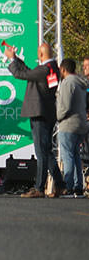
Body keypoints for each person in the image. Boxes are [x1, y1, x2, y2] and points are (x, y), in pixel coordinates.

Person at [4, 43, 65, 198]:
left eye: (38, 52)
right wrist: (16, 58)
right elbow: (30, 72)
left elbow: (21, 74)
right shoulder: (51, 68)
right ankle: (60, 185)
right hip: (46, 113)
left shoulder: (44, 69)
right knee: (47, 152)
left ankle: (39, 187)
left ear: (41, 54)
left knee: (41, 152)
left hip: (40, 114)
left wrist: (11, 60)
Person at [55, 58, 89, 196]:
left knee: (67, 156)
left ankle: (68, 186)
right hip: (81, 124)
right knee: (76, 156)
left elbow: (65, 105)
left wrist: (57, 117)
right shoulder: (81, 83)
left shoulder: (67, 83)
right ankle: (78, 186)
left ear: (63, 69)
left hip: (68, 124)